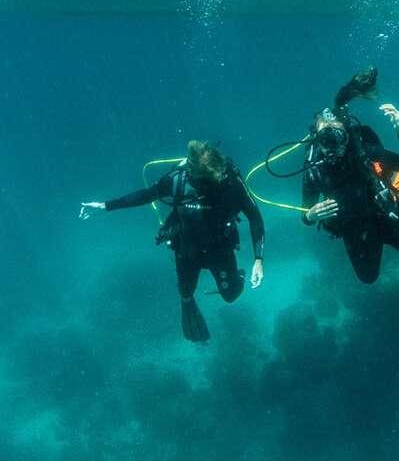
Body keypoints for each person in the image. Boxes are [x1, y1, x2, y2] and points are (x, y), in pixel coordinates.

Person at [79, 140, 265, 343]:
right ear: (192, 172)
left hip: (219, 247)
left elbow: (254, 216)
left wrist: (258, 260)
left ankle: (237, 277)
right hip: (187, 247)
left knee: (231, 296)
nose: (210, 184)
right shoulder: (178, 179)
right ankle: (192, 309)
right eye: (205, 180)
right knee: (186, 294)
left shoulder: (230, 182)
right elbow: (146, 195)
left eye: (213, 179)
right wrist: (106, 206)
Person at [300, 68, 399, 284]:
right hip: (352, 226)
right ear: (315, 139)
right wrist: (310, 216)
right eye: (324, 140)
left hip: (383, 213)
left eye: (337, 137)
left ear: (347, 135)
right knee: (368, 278)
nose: (332, 148)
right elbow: (305, 215)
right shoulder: (313, 170)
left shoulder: (365, 151)